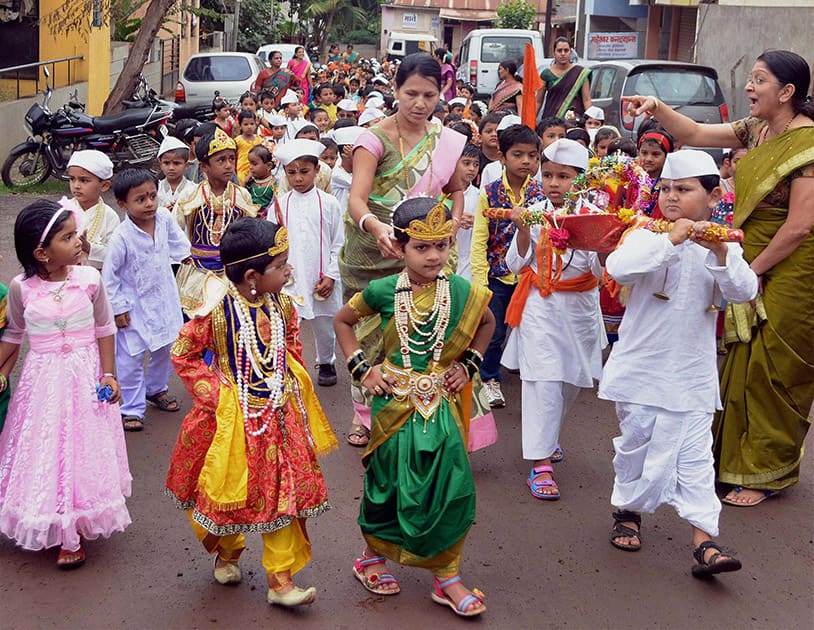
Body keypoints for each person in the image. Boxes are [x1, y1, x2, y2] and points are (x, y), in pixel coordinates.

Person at [639, 51, 814, 507]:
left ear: (788, 92)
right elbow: (695, 133)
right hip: (747, 250)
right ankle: (728, 460)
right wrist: (657, 109)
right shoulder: (755, 130)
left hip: (792, 266)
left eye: (759, 80)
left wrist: (748, 272)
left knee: (772, 366)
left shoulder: (808, 144)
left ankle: (763, 471)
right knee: (739, 354)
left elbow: (798, 226)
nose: (750, 88)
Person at [334, 197, 495, 618]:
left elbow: (488, 322)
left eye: (441, 246)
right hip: (394, 407)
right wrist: (362, 370)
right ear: (399, 248)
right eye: (421, 248)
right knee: (387, 485)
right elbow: (342, 321)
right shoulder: (383, 290)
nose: (433, 256)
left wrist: (470, 364)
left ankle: (447, 577)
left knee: (452, 488)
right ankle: (371, 559)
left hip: (442, 408)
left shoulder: (462, 291)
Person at [599, 150, 757, 577]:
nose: (671, 197)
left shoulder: (723, 241)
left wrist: (721, 253)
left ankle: (705, 540)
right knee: (636, 445)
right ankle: (628, 512)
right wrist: (671, 240)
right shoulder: (645, 234)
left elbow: (744, 291)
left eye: (684, 190)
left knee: (695, 457)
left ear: (713, 195)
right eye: (666, 188)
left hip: (691, 371)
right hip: (641, 368)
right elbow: (620, 267)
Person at [166, 218, 337, 607]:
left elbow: (291, 343)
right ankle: (228, 551)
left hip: (278, 415)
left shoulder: (283, 304)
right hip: (232, 422)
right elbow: (184, 354)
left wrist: (289, 378)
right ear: (252, 276)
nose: (289, 270)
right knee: (232, 497)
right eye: (282, 266)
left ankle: (280, 581)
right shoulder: (216, 311)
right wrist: (216, 394)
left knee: (284, 499)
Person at [340, 52, 467, 447]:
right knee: (368, 336)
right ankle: (363, 414)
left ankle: (417, 407)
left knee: (421, 336)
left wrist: (450, 227)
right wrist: (377, 227)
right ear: (394, 90)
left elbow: (456, 189)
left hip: (424, 254)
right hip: (372, 252)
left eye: (430, 95)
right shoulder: (372, 139)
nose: (420, 103)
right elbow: (357, 200)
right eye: (411, 93)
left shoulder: (444, 139)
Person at [0, 199, 131, 568]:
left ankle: (73, 530)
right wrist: (3, 372)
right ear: (42, 252)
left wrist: (108, 374)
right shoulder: (21, 288)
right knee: (45, 446)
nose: (78, 242)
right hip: (41, 382)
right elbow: (15, 333)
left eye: (76, 234)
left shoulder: (90, 279)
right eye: (68, 237)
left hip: (85, 376)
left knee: (81, 445)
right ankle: (48, 517)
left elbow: (104, 327)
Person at [503, 139, 604, 499]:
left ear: (580, 179)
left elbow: (602, 269)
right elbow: (513, 265)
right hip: (539, 308)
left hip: (579, 313)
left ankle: (550, 435)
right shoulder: (531, 211)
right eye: (548, 175)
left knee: (569, 384)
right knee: (542, 382)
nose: (554, 183)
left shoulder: (595, 216)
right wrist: (523, 229)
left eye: (563, 176)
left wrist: (603, 243)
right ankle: (540, 464)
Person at [103, 168, 191, 431]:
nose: (150, 203)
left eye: (153, 196)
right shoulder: (122, 237)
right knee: (130, 357)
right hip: (133, 307)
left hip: (164, 298)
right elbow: (110, 277)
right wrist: (118, 308)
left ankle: (156, 389)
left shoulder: (163, 218)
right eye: (140, 199)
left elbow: (179, 245)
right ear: (123, 204)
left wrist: (188, 258)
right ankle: (131, 407)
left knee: (166, 347)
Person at [471, 124, 546, 408]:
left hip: (532, 277)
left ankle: (532, 378)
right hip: (498, 276)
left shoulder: (541, 193)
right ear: (502, 157)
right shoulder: (489, 192)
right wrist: (480, 280)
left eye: (532, 155)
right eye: (518, 155)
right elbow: (480, 239)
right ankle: (489, 378)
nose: (526, 161)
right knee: (494, 331)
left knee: (532, 330)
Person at [273, 139, 344, 387]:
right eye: (291, 172)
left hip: (320, 276)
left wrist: (332, 276)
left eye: (304, 172)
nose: (298, 178)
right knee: (287, 323)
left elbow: (338, 242)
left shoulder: (330, 203)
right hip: (290, 277)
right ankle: (288, 366)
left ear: (316, 170)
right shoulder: (280, 205)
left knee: (325, 324)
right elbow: (274, 242)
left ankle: (326, 361)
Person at [174, 128, 258, 316]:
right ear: (204, 166)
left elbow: (250, 234)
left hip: (233, 272)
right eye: (221, 160)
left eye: (231, 159)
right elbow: (173, 231)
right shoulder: (190, 195)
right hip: (196, 271)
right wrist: (183, 255)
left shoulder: (242, 195)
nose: (228, 165)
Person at [63, 150, 120, 270]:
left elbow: (115, 255)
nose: (76, 185)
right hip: (63, 275)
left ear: (104, 186)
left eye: (84, 180)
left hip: (96, 278)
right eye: (72, 179)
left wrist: (89, 248)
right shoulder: (62, 209)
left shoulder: (110, 216)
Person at [536, 37, 592, 120]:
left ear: (570, 53)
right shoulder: (546, 74)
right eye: (559, 50)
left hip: (574, 121)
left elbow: (587, 100)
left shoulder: (581, 73)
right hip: (551, 120)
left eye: (566, 50)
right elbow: (538, 101)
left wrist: (591, 119)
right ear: (554, 53)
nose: (563, 54)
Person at [454, 143, 480, 281]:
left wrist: (477, 223)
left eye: (476, 164)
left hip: (468, 261)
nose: (472, 169)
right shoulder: (440, 193)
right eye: (466, 163)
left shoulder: (479, 195)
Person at [157, 136, 195, 214]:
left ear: (186, 165)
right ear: (160, 164)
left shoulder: (194, 189)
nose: (171, 168)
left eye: (176, 163)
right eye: (166, 163)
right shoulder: (156, 189)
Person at [245, 144, 277, 218]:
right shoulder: (250, 184)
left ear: (268, 166)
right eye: (250, 163)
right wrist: (245, 182)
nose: (250, 167)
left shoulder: (275, 185)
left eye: (254, 164)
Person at [235, 110, 262, 185]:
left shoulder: (259, 140)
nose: (249, 127)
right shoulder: (238, 141)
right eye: (246, 124)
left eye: (252, 124)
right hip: (242, 173)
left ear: (256, 124)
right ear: (240, 126)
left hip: (257, 172)